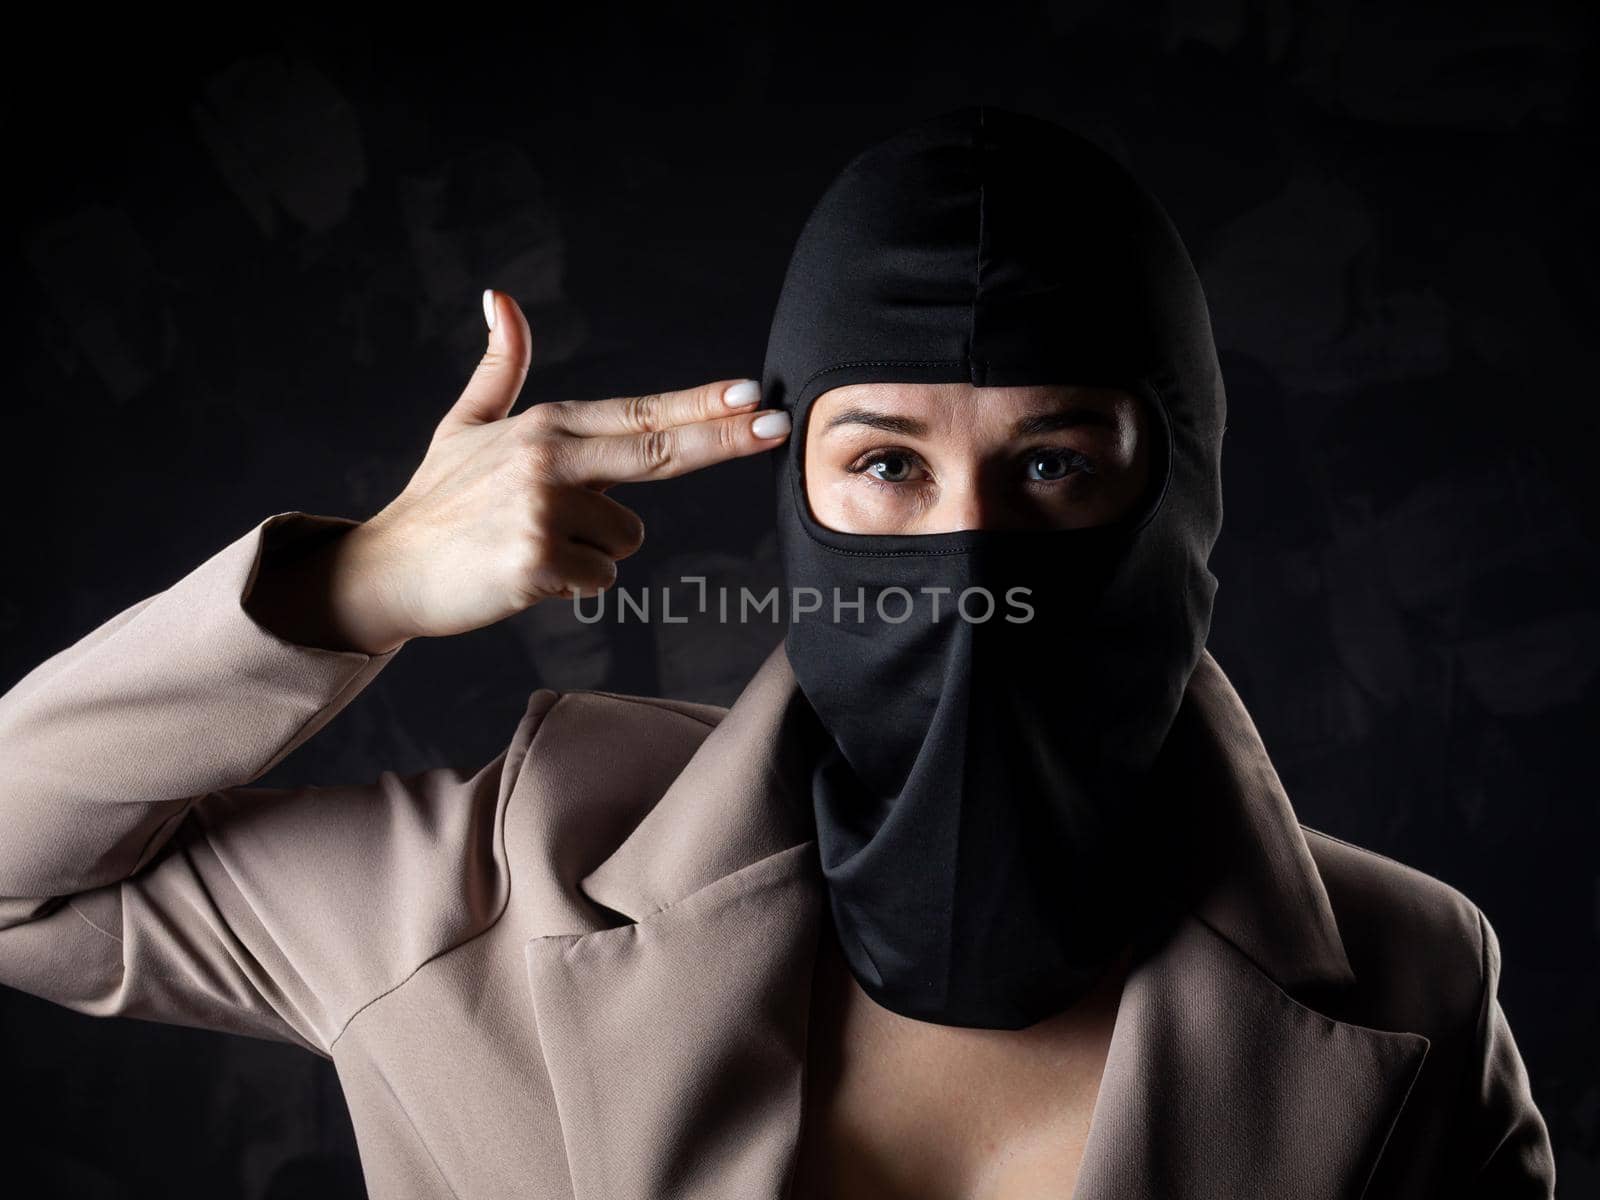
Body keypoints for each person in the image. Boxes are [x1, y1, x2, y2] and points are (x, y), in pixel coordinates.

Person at [0, 106, 1555, 1199]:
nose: (971, 562)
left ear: (1186, 489)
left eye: (1056, 466)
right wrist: (358, 585)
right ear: (795, 492)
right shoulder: (492, 888)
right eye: (886, 465)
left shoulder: (1414, 993)